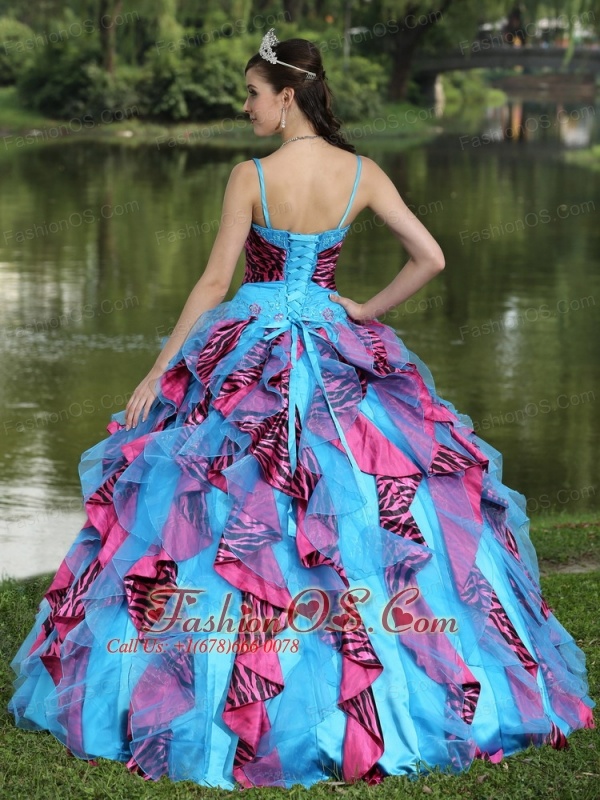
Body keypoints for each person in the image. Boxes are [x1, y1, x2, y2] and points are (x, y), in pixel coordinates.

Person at [7, 29, 595, 791]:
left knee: (220, 498)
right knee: (369, 497)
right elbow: (432, 257)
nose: (245, 105)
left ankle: (209, 690)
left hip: (251, 346)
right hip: (331, 338)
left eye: (252, 93)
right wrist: (364, 311)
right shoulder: (362, 173)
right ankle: (388, 691)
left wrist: (160, 369)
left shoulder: (250, 176)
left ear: (287, 96)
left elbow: (214, 283)